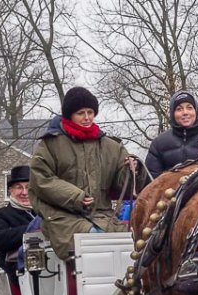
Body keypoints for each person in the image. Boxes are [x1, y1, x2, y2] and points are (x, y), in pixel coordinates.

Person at [29, 86, 149, 260]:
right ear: (70, 114)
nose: (87, 118)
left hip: (104, 216)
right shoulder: (50, 145)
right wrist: (75, 197)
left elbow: (124, 187)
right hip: (62, 218)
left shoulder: (112, 146)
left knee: (138, 242)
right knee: (96, 240)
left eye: (90, 112)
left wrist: (134, 171)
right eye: (81, 113)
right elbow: (41, 180)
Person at [145, 90, 198, 179]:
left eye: (189, 108)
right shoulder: (158, 144)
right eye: (179, 109)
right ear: (172, 114)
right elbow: (151, 181)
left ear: (195, 111)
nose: (185, 112)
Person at [0, 165, 36, 295]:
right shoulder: (2, 214)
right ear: (11, 190)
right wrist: (34, 228)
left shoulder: (43, 212)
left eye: (28, 187)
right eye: (19, 187)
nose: (24, 192)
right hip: (18, 266)